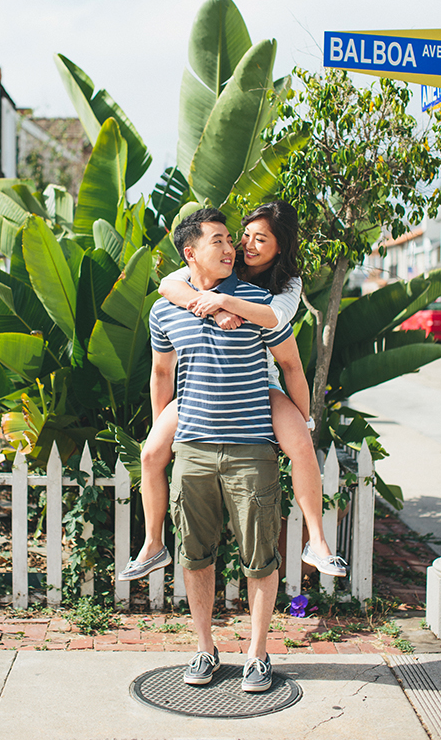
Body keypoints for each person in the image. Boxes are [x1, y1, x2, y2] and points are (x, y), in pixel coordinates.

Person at [119, 200, 347, 582]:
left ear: (280, 247)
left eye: (261, 239)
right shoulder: (224, 257)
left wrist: (224, 301)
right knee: (151, 453)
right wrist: (213, 308)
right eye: (246, 236)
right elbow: (168, 285)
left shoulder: (287, 284)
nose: (246, 245)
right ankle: (153, 545)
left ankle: (318, 543)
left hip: (260, 379)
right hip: (200, 385)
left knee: (302, 445)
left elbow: (274, 321)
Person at [150, 208, 306, 693]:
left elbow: (291, 362)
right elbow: (161, 373)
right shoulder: (165, 309)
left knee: (260, 558)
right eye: (217, 240)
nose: (229, 247)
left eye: (228, 239)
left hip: (251, 449)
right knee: (195, 555)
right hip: (192, 449)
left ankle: (257, 655)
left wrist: (302, 422)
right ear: (190, 252)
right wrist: (162, 429)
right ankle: (205, 649)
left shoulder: (258, 303)